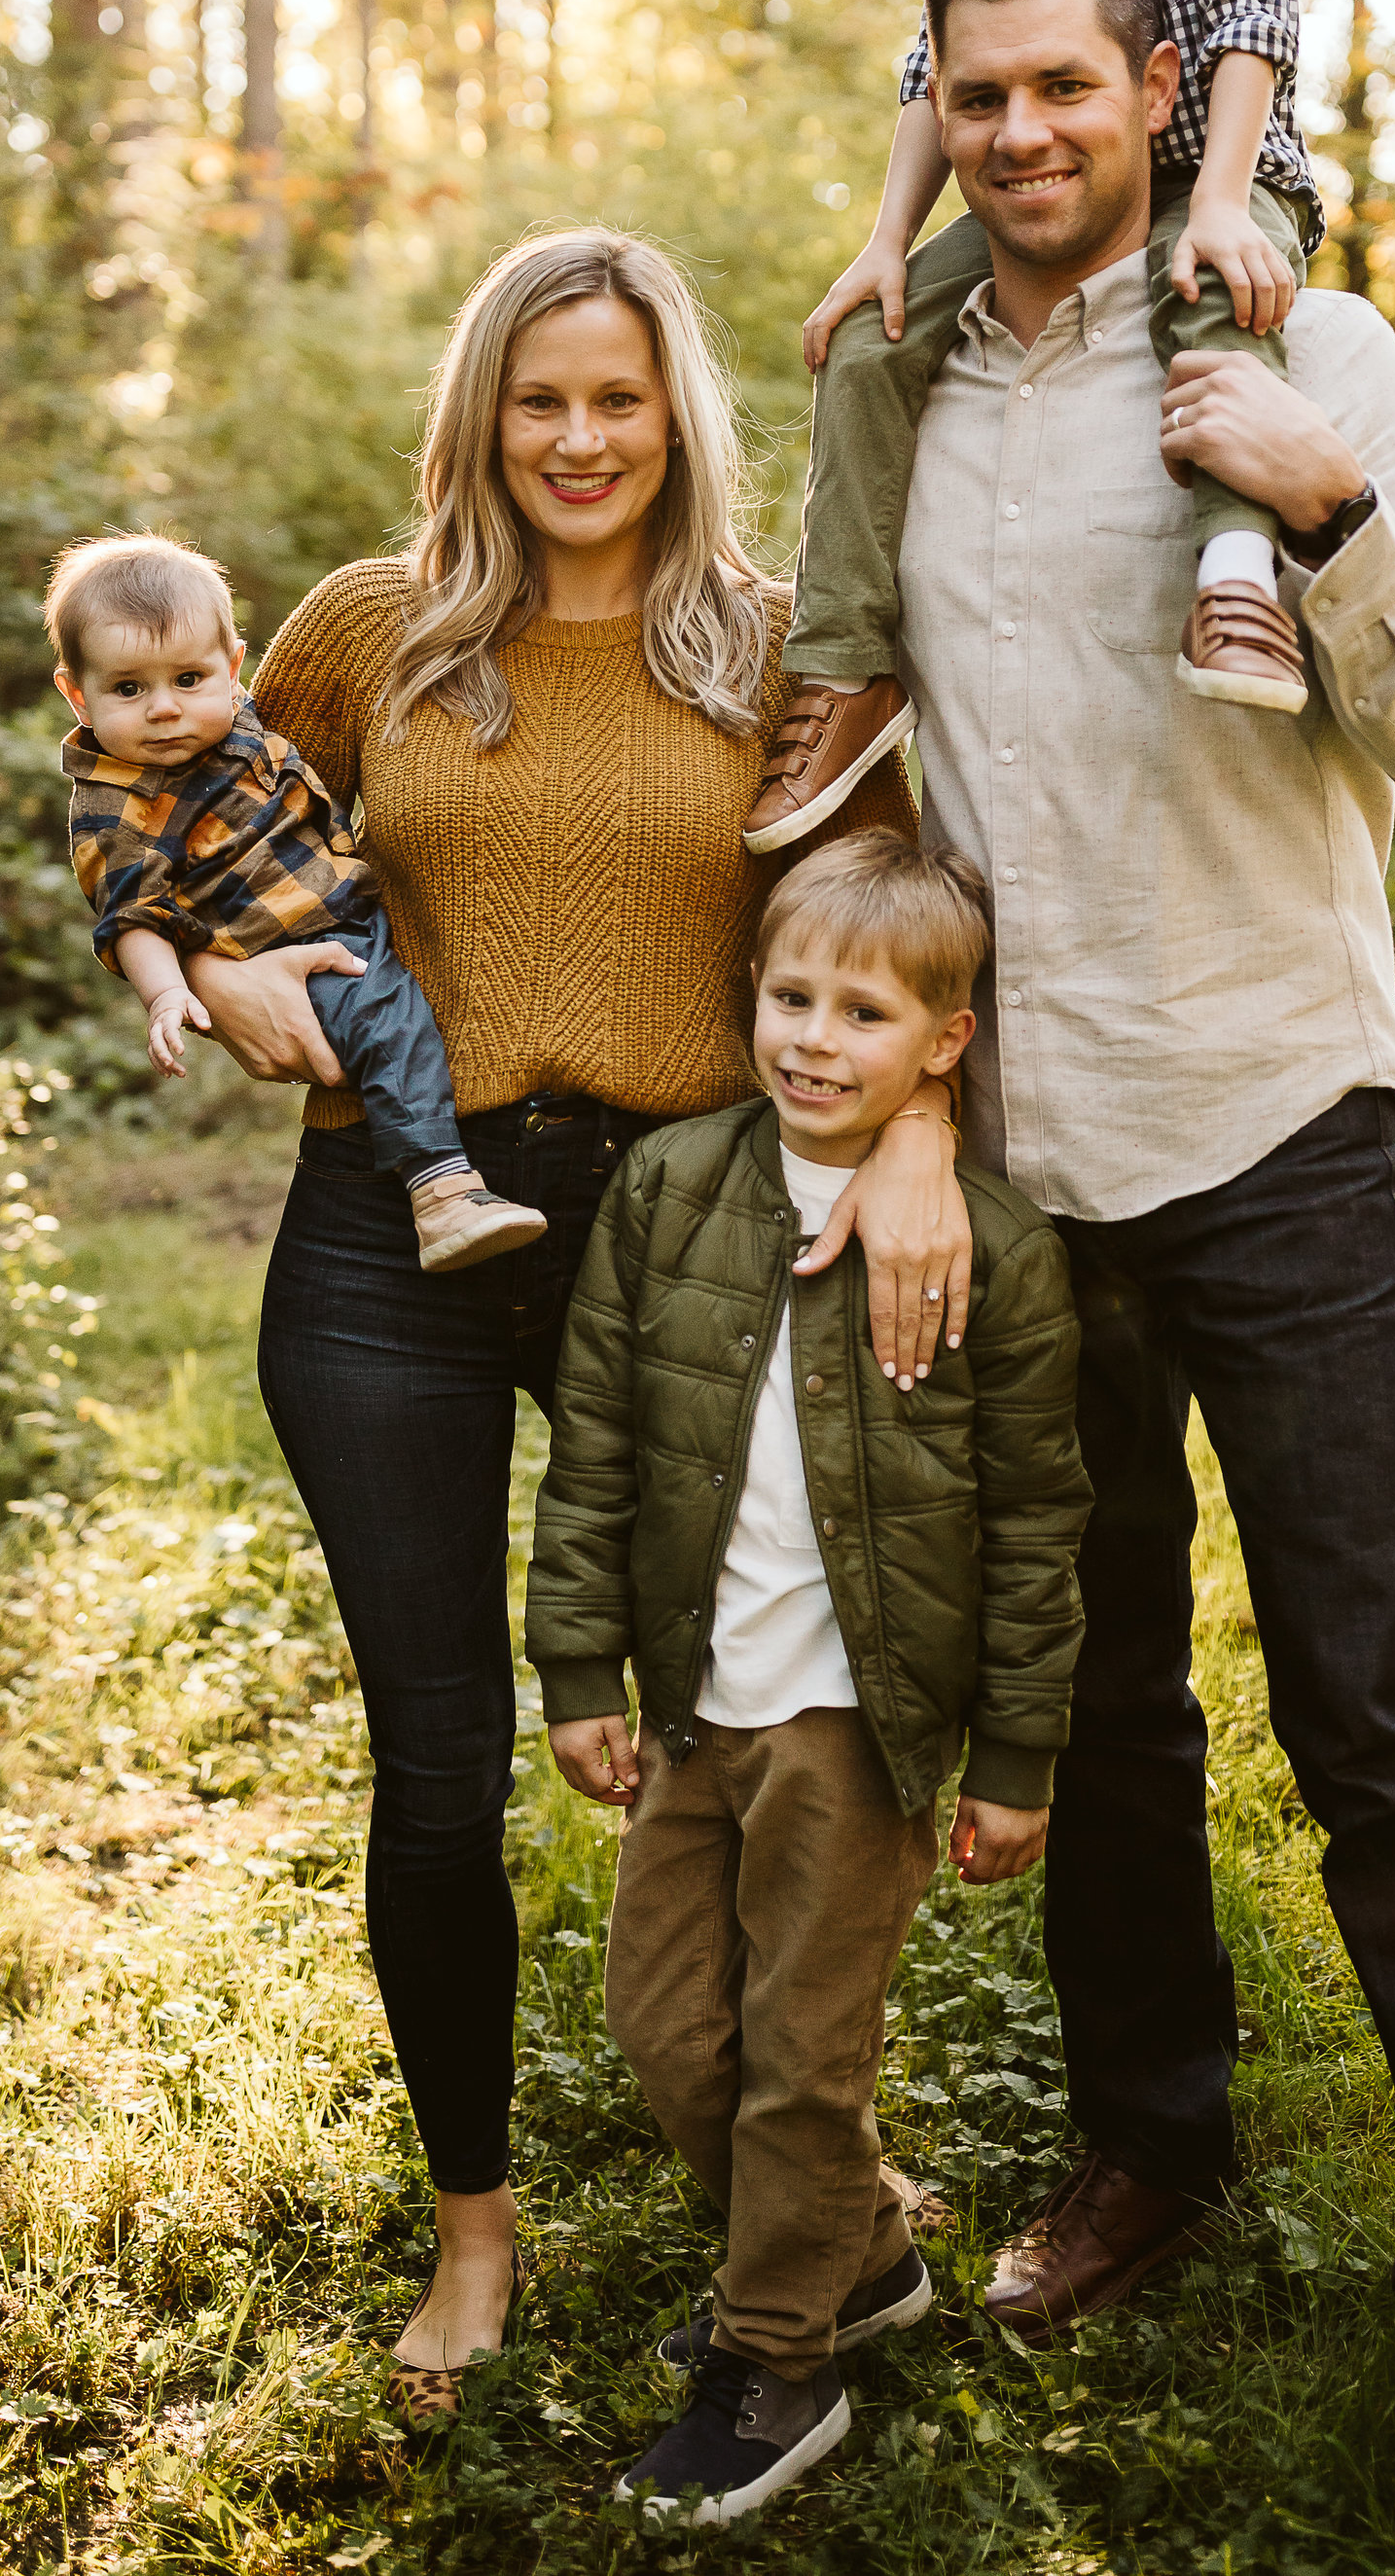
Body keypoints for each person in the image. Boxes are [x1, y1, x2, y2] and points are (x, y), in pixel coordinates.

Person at [880, 0, 1395, 2576]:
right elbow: (881, 764)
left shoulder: (1316, 345)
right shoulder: (912, 385)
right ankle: (1149, 2139)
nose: (1025, 134)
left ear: (1153, 76)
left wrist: (1316, 509)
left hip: (1279, 1114)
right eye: (977, 97)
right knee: (1092, 1715)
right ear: (936, 107)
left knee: (1378, 1720)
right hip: (1034, 1152)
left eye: (1067, 85)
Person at [173, 230, 973, 2419]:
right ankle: (474, 2232)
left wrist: (916, 1137)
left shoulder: (770, 651)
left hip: (685, 1236)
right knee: (435, 1761)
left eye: (617, 397)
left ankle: (807, 2187)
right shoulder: (369, 632)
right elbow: (184, 823)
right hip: (394, 1233)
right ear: (481, 416)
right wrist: (218, 976)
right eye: (540, 400)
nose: (580, 439)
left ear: (676, 413)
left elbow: (887, 918)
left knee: (753, 1730)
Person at [527, 832, 1091, 2525]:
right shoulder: (673, 1190)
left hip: (863, 1724)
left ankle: (778, 2365)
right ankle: (857, 2251)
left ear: (943, 1047)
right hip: (701, 1701)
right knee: (659, 2022)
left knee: (799, 2054)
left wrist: (1017, 1751)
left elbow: (1037, 1519)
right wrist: (577, 1664)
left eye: (861, 1010)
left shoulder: (989, 1248)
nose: (812, 1037)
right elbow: (600, 1444)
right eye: (789, 996)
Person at [744, 0, 1319, 859]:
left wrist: (1225, 200)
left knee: (1208, 298)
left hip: (1222, 167)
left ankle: (1235, 582)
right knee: (874, 347)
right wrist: (888, 241)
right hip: (1043, 188)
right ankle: (844, 666)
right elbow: (934, 70)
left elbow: (1251, 18)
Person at [46, 529, 546, 1273]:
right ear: (76, 692)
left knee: (404, 1017)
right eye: (128, 689)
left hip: (347, 912)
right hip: (287, 951)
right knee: (390, 1024)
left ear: (232, 667)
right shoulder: (119, 809)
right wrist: (169, 994)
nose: (164, 710)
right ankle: (441, 1190)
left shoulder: (235, 719)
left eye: (188, 678)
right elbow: (131, 919)